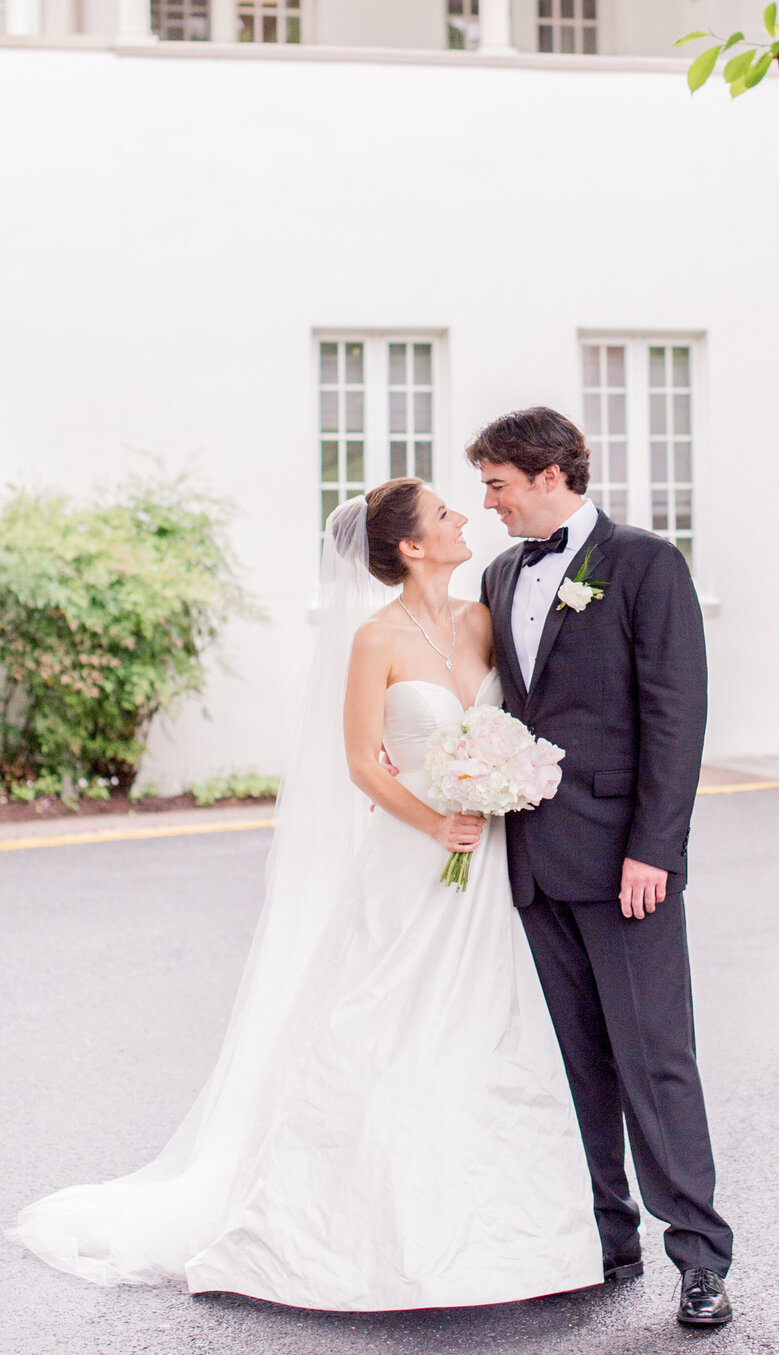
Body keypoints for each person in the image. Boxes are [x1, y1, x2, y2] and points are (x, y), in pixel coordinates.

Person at [8, 479, 602, 1310]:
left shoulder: (480, 620)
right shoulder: (374, 638)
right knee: (387, 1026)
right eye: (444, 514)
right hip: (414, 857)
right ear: (410, 547)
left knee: (482, 1026)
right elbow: (362, 759)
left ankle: (499, 1233)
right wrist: (436, 822)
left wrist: (500, 779)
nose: (463, 517)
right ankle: (351, 1235)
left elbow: (513, 719)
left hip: (487, 861)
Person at [469, 407, 734, 1330]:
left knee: (655, 1060)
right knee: (578, 1063)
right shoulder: (501, 574)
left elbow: (676, 713)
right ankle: (605, 1236)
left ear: (549, 475)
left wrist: (655, 848)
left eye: (497, 484)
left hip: (627, 865)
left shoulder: (646, 563)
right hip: (535, 863)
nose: (489, 502)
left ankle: (700, 1254)